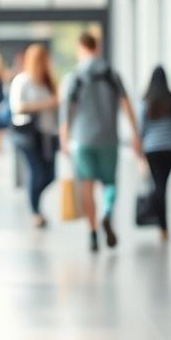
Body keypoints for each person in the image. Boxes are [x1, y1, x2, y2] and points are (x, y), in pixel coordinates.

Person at [60, 32, 140, 252]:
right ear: (97, 47)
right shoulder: (111, 73)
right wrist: (135, 134)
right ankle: (106, 213)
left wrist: (64, 138)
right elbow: (126, 104)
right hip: (108, 138)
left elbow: (67, 110)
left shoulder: (75, 76)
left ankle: (92, 231)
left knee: (86, 184)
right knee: (109, 183)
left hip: (82, 140)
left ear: (80, 48)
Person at [10, 43, 61, 228]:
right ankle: (35, 211)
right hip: (29, 135)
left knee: (50, 175)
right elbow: (17, 107)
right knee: (37, 173)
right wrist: (46, 104)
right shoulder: (22, 81)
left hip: (49, 134)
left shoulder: (48, 82)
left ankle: (36, 204)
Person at [138, 66, 171, 242]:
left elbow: (142, 128)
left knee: (159, 187)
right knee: (162, 186)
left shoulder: (146, 101)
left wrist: (140, 150)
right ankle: (163, 226)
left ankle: (163, 227)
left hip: (153, 150)